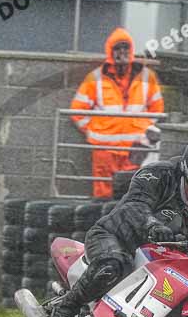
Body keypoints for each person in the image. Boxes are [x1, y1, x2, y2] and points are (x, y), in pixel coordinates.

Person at [50, 136, 188, 317]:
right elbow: (135, 204)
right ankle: (66, 308)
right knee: (114, 264)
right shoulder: (157, 175)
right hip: (116, 237)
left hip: (164, 257)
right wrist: (152, 224)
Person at [70, 27, 165, 198]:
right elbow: (78, 110)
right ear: (109, 51)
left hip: (136, 149)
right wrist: (93, 131)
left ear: (131, 50)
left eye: (125, 48)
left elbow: (157, 110)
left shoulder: (147, 77)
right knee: (103, 194)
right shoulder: (95, 78)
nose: (122, 52)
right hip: (104, 149)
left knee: (134, 192)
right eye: (117, 48)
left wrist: (144, 132)